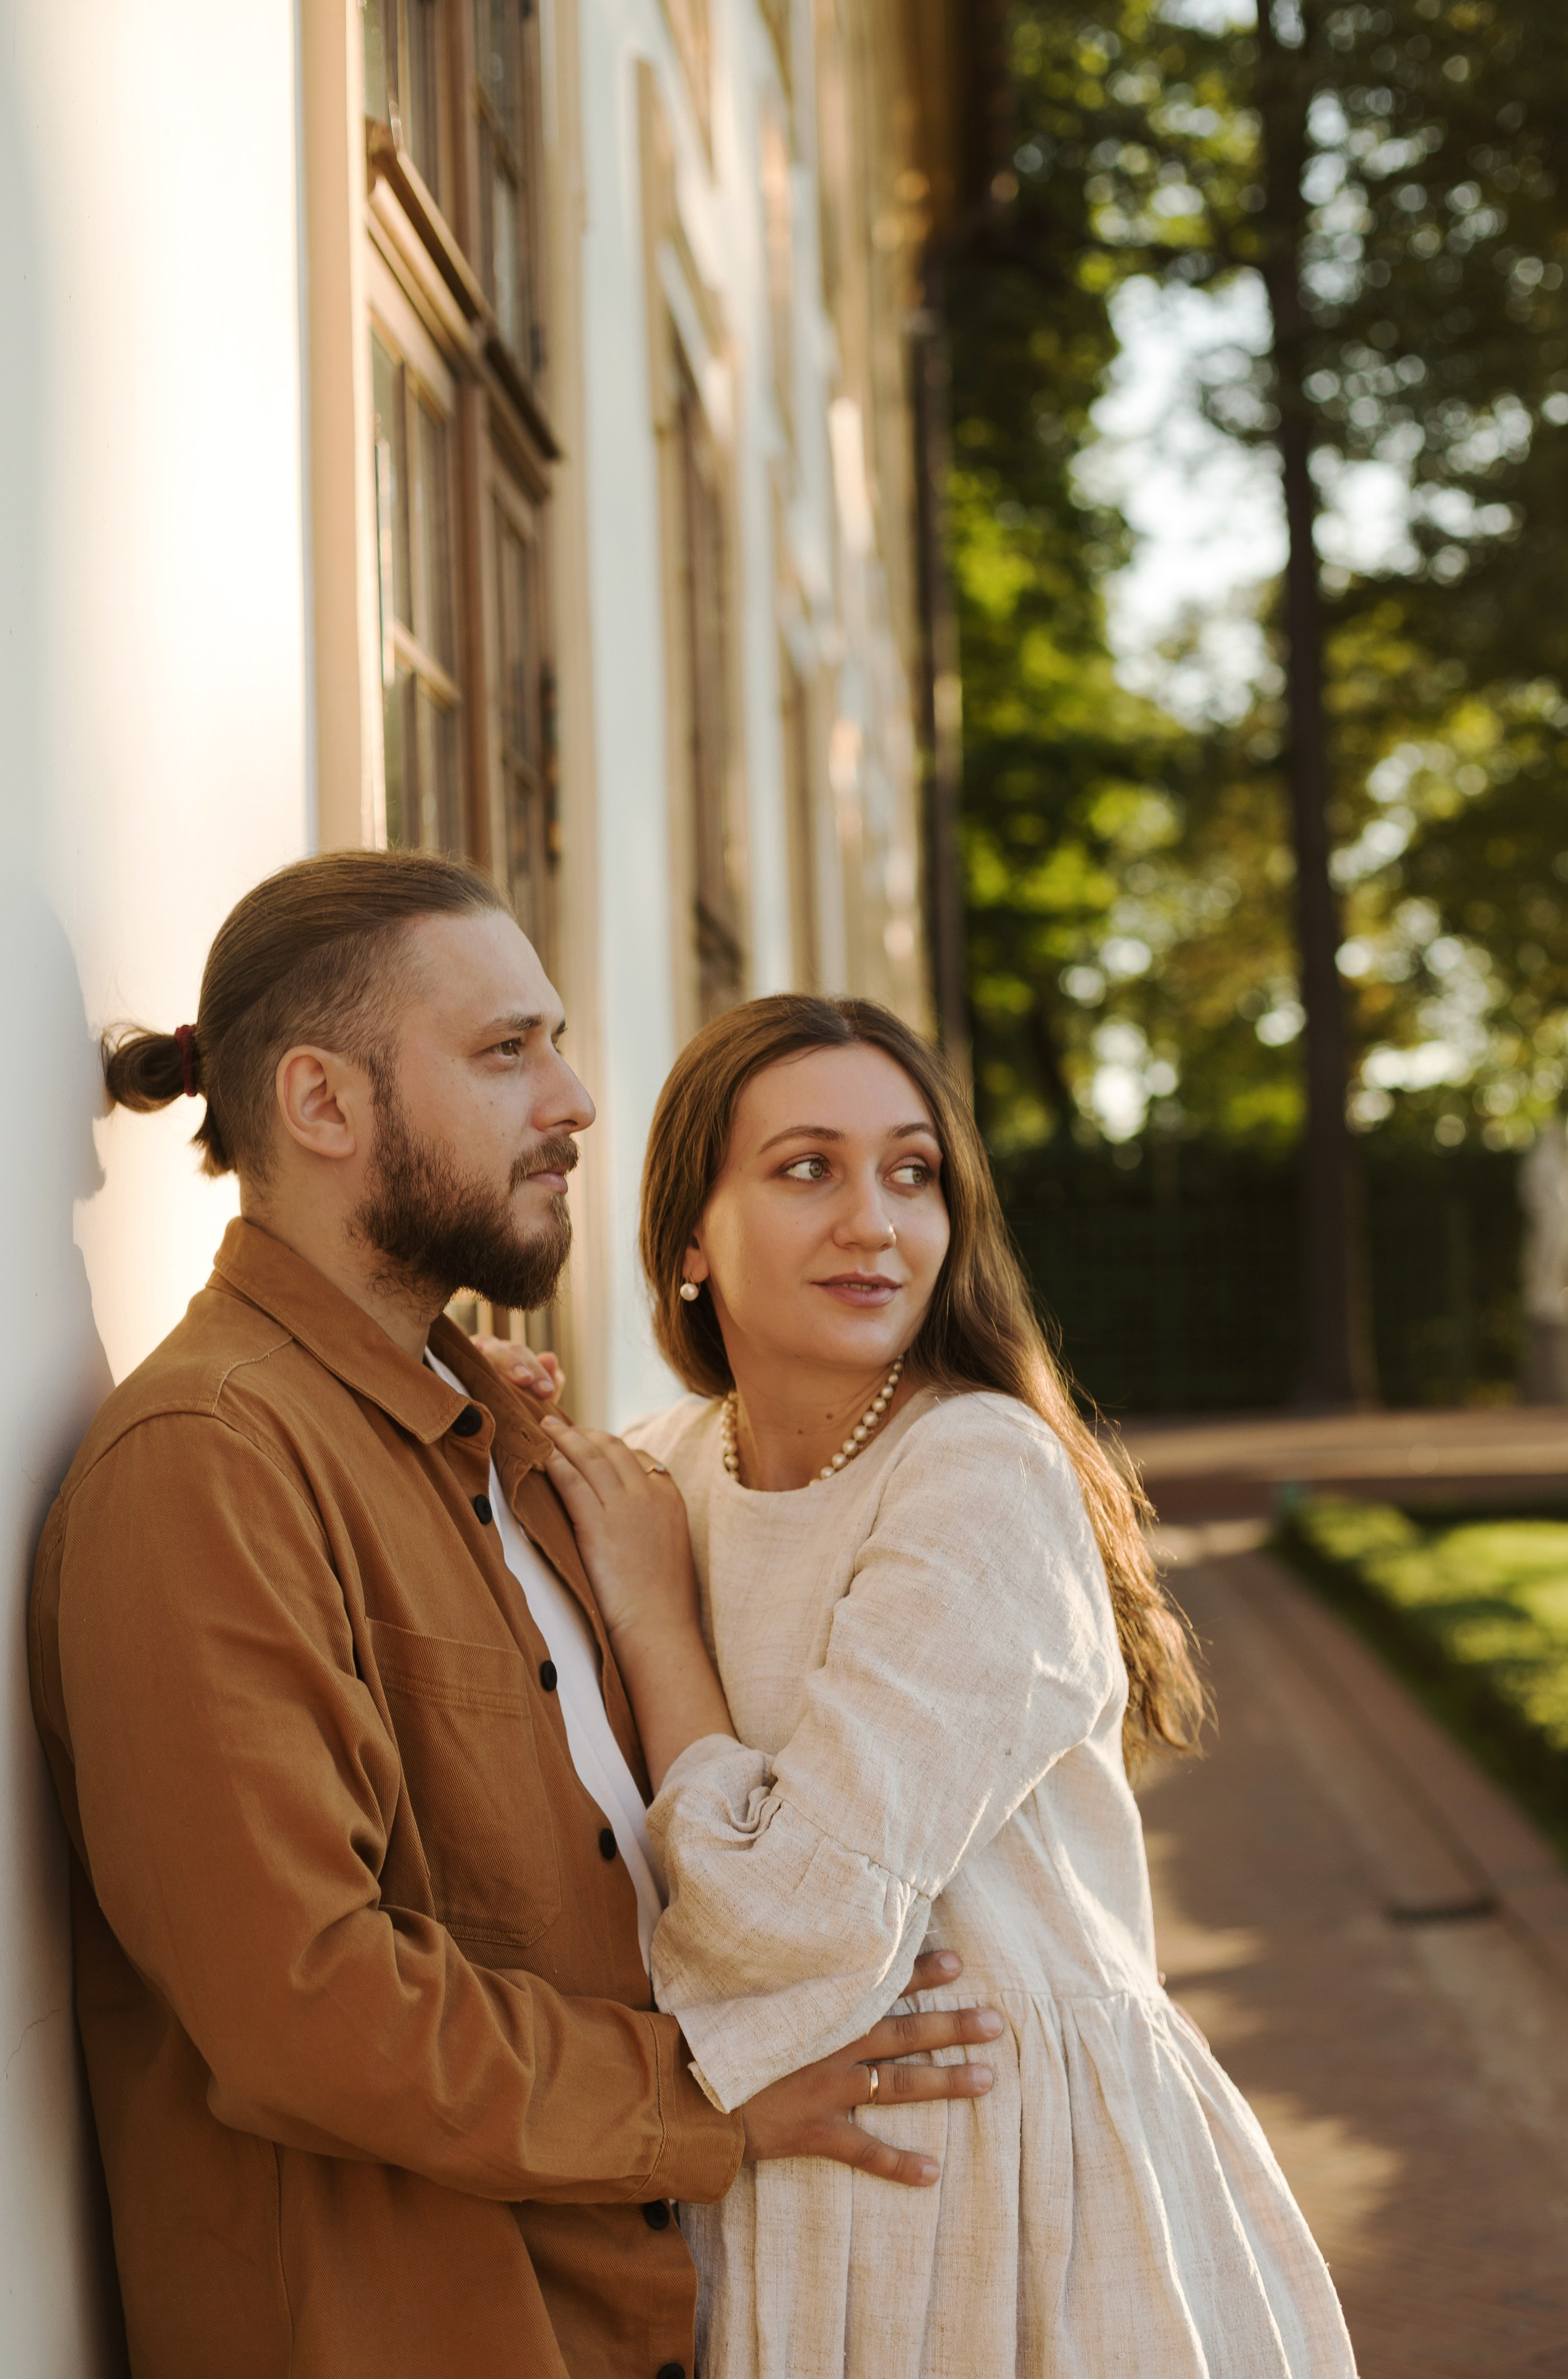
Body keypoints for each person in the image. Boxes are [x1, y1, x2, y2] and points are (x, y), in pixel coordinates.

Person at [28, 857, 1002, 2379]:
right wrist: (701, 2099)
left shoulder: (499, 1441)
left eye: (551, 1039)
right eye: (505, 1052)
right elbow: (299, 1998)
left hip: (625, 2313)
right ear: (322, 1105)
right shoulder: (209, 1460)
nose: (576, 1097)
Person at [484, 992, 1358, 2379]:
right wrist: (476, 1411)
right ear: (689, 1238)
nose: (872, 1223)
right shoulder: (659, 1463)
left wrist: (654, 1619)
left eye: (911, 1172)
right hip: (767, 2190)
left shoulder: (976, 1469)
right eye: (804, 1168)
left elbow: (796, 1922)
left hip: (995, 2186)